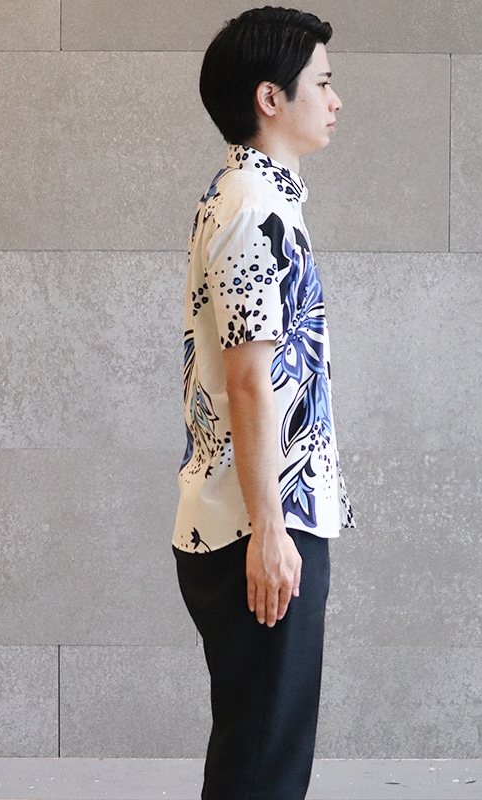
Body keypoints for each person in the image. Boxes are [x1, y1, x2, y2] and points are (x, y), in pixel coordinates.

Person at [172, 7, 354, 798]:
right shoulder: (254, 207)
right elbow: (250, 378)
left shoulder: (255, 197)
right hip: (260, 523)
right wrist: (272, 531)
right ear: (270, 97)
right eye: (323, 82)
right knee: (263, 770)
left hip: (257, 515)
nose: (336, 100)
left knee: (260, 757)